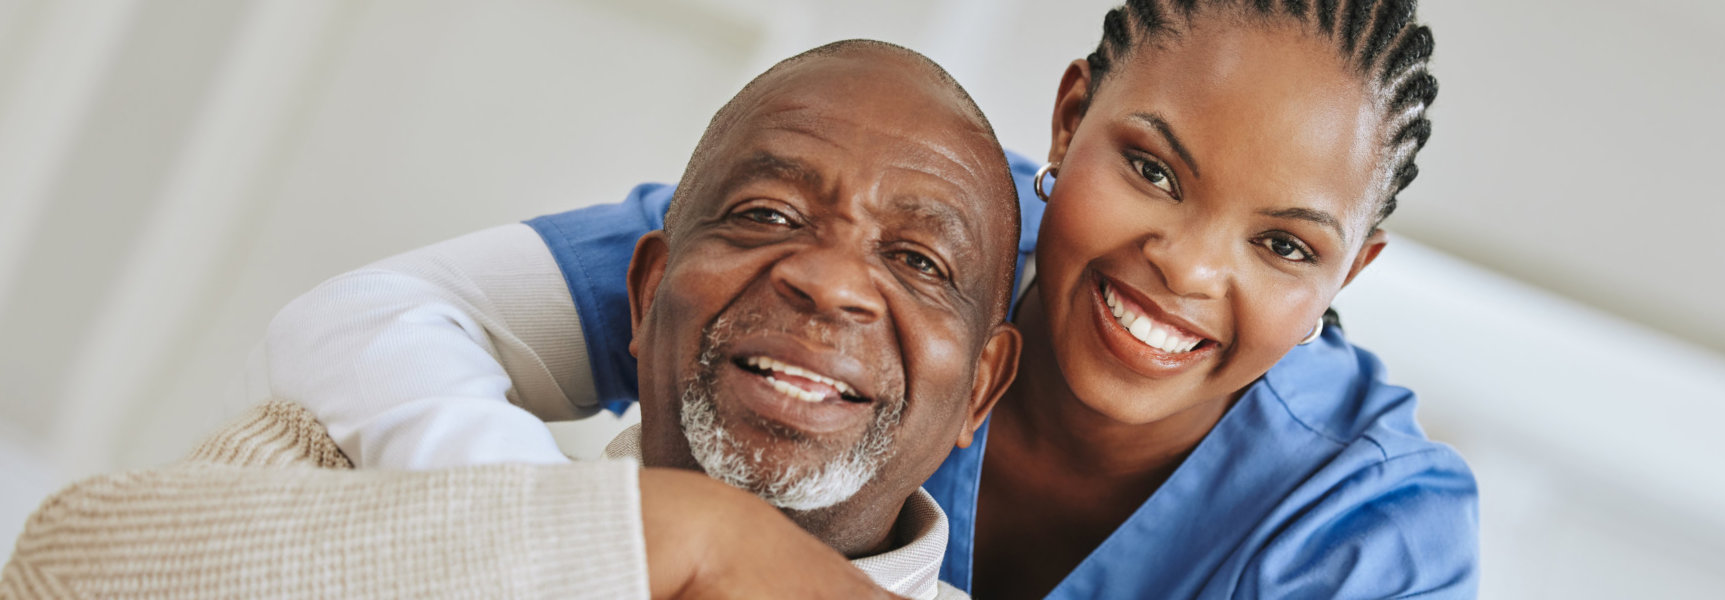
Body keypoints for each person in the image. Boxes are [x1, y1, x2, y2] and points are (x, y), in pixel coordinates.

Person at [270, 0, 1477, 597]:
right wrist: (568, 536)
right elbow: (370, 321)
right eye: (1152, 172)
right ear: (1071, 119)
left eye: (1282, 244)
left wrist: (732, 551)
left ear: (1347, 276)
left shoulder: (1368, 524)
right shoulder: (894, 236)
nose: (1188, 267)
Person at [1, 39, 1022, 600]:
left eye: (918, 260)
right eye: (766, 214)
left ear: (980, 388)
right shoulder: (346, 470)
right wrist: (673, 538)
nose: (830, 283)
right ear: (645, 291)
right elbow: (62, 564)